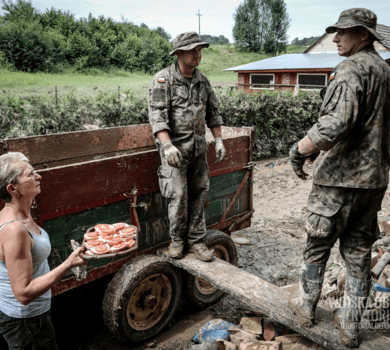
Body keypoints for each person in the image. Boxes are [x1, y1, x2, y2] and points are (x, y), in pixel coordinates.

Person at [288, 8, 390, 348]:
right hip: (373, 181)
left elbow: (335, 124)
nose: (335, 38)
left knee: (317, 245)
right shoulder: (386, 71)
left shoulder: (350, 70)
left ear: (363, 35)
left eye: (343, 33)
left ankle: (304, 309)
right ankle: (350, 329)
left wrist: (301, 149)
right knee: (359, 251)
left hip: (338, 180)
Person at [148, 32, 225, 262]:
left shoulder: (202, 80)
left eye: (200, 50)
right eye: (193, 50)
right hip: (175, 152)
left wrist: (218, 139)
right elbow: (157, 115)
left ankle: (197, 241)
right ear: (179, 53)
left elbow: (213, 113)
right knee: (178, 196)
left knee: (200, 193)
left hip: (198, 151)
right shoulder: (164, 80)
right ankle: (177, 242)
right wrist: (168, 146)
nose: (198, 54)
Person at [0, 152, 88, 349]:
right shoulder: (14, 229)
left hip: (30, 317)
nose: (38, 176)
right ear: (13, 188)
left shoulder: (20, 214)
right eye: (30, 174)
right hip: (25, 321)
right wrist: (69, 264)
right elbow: (23, 294)